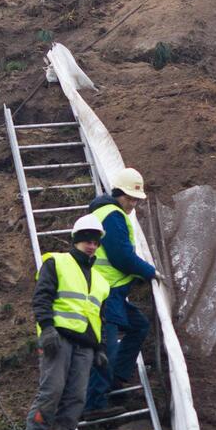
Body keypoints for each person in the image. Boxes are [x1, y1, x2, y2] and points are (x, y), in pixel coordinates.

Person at [17, 215, 110, 430]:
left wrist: (99, 347)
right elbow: (42, 297)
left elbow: (97, 316)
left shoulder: (101, 281)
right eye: (86, 239)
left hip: (86, 347)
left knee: (75, 401)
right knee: (52, 392)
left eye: (95, 241)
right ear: (75, 239)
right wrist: (47, 328)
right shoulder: (56, 263)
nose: (91, 244)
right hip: (58, 339)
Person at [84, 167, 164, 416]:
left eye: (136, 200)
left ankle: (116, 377)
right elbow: (121, 256)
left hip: (113, 292)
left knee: (139, 326)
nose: (133, 204)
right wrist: (149, 271)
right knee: (105, 347)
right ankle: (93, 405)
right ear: (117, 193)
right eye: (130, 198)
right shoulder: (112, 215)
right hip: (105, 293)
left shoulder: (111, 213)